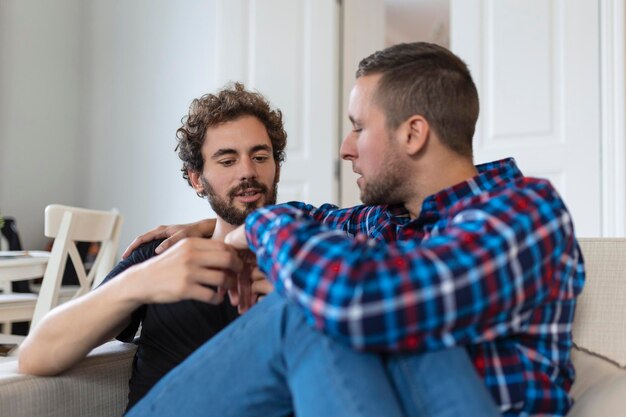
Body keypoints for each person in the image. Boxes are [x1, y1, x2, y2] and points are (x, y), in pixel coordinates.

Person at [126, 42, 584, 417]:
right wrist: (218, 222)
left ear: (413, 134)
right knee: (315, 298)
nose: (346, 149)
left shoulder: (523, 213)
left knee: (311, 307)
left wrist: (263, 225)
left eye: (359, 128)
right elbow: (307, 217)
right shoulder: (389, 220)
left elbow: (358, 297)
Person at [18, 83, 286, 411]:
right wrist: (140, 283)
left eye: (260, 157)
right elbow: (36, 355)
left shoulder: (313, 265)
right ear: (197, 179)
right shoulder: (162, 255)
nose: (248, 171)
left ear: (276, 167)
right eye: (227, 161)